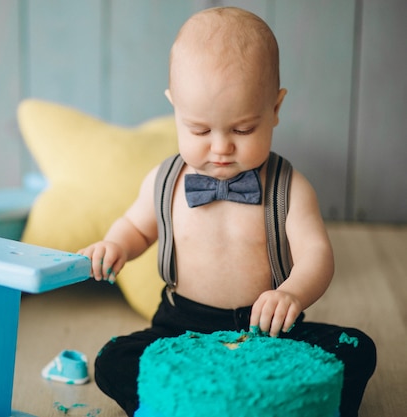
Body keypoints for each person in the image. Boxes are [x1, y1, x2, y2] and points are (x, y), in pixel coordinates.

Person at [77, 7, 376, 417]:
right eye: (199, 130)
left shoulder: (289, 188)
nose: (220, 147)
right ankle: (179, 406)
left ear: (275, 108)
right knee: (114, 358)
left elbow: (316, 255)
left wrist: (291, 293)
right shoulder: (165, 181)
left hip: (268, 330)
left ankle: (291, 406)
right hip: (179, 326)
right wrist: (115, 245)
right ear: (174, 108)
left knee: (356, 349)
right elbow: (135, 227)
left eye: (242, 129)